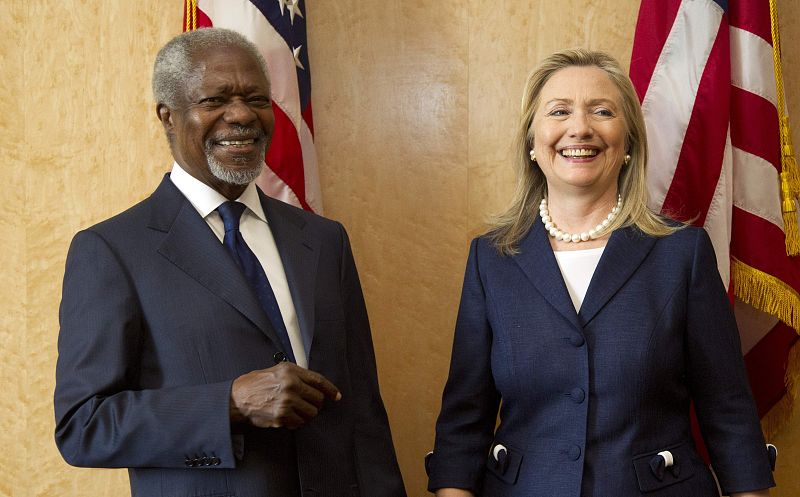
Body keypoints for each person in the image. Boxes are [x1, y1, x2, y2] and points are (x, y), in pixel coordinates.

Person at [54, 28, 406, 497]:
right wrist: (228, 404)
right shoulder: (112, 251)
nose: (241, 115)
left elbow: (362, 411)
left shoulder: (324, 240)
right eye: (214, 100)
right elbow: (83, 426)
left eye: (256, 98)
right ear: (168, 116)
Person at [426, 49, 775, 497]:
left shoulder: (681, 254)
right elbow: (463, 422)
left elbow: (727, 412)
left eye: (602, 111)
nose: (580, 128)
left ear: (627, 141)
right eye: (559, 112)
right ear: (532, 142)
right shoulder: (491, 259)